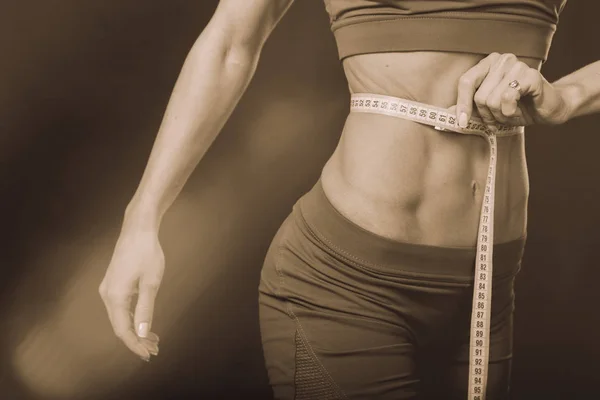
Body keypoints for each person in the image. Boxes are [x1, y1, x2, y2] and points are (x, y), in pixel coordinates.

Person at [98, 0, 600, 398]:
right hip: (343, 286)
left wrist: (568, 96)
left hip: (487, 289)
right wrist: (141, 218)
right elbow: (231, 40)